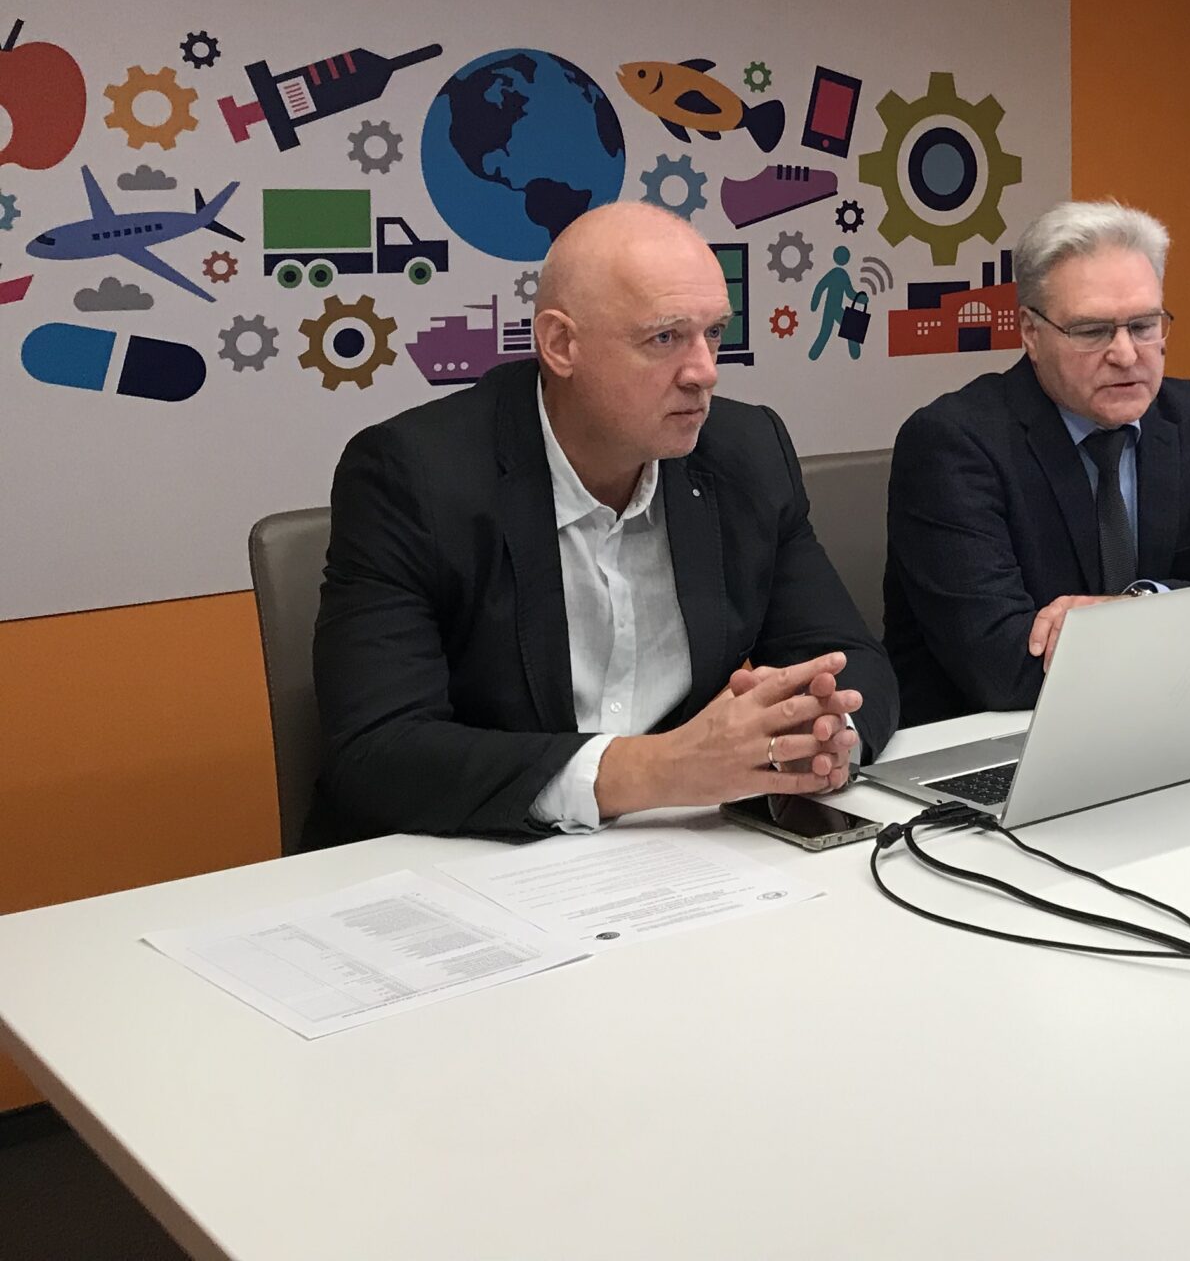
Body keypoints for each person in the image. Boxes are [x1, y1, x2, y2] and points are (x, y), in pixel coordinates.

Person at [307, 202, 897, 843]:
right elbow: (379, 751)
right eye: (665, 338)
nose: (704, 371)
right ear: (561, 345)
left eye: (713, 333)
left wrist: (823, 734)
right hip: (472, 853)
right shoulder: (413, 475)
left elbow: (848, 659)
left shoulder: (746, 451)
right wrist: (659, 770)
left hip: (678, 849)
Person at [883, 198, 1190, 723]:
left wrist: (1141, 605)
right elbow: (1003, 669)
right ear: (1030, 332)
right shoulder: (953, 444)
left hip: (1170, 719)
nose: (1125, 354)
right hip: (992, 743)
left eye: (1144, 325)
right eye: (1091, 331)